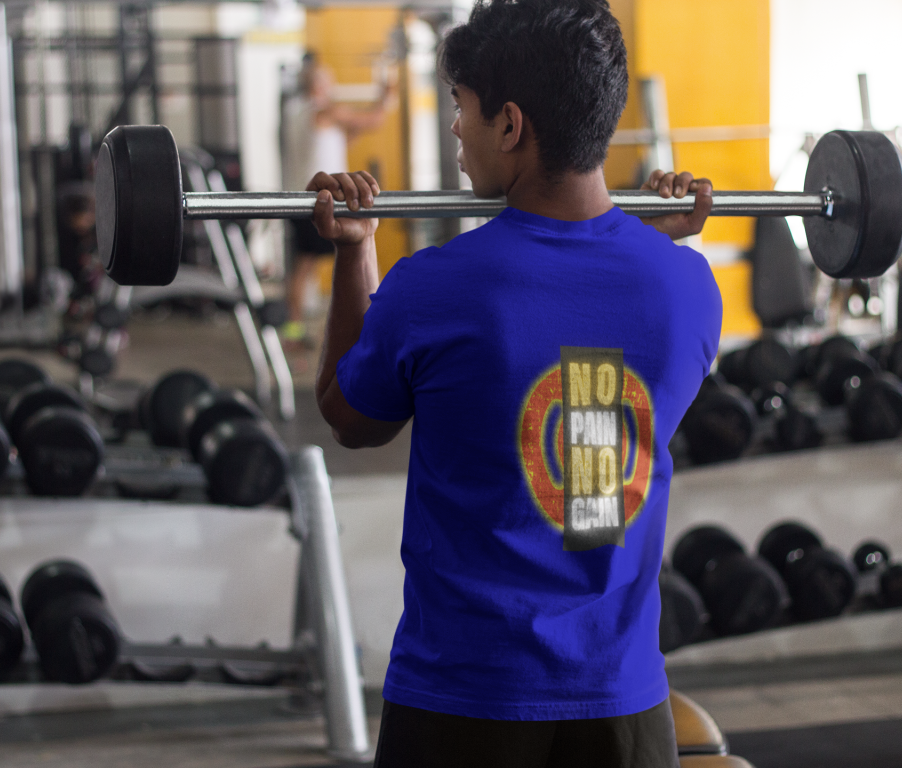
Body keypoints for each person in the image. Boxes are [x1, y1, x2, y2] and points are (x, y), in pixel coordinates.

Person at [312, 1, 720, 766]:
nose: (457, 130)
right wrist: (649, 249)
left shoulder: (433, 286)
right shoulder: (686, 289)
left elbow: (350, 416)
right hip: (625, 713)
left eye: (463, 109)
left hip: (463, 707)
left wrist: (352, 253)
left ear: (510, 125)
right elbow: (594, 430)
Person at [280, 52, 397, 346]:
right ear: (318, 85)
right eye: (328, 81)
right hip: (324, 199)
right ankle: (375, 325)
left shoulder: (297, 113)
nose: (332, 86)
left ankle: (293, 330)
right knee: (358, 256)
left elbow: (340, 140)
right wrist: (388, 95)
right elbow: (375, 119)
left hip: (299, 197)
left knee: (302, 266)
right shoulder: (325, 111)